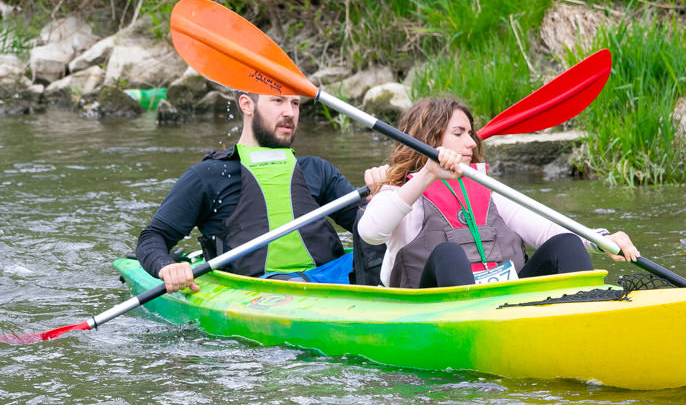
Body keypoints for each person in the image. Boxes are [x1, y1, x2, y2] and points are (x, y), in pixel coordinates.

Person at [357, 97, 641, 288]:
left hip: (503, 302)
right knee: (448, 254)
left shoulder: (487, 189)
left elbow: (546, 230)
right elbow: (370, 232)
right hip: (432, 312)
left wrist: (600, 238)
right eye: (458, 134)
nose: (471, 143)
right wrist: (428, 173)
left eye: (471, 133)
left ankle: (590, 317)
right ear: (429, 139)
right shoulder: (400, 191)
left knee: (566, 243)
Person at [136, 91, 387, 293]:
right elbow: (153, 237)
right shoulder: (210, 176)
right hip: (261, 289)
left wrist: (382, 200)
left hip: (334, 276)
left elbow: (369, 231)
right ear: (247, 104)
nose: (289, 112)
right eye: (277, 101)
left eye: (295, 103)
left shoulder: (316, 170)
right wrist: (167, 267)